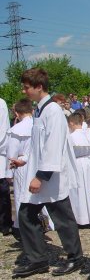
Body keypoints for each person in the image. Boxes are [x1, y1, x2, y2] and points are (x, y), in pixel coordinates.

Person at [13, 68, 84, 278]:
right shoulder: (39, 110)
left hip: (50, 177)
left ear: (39, 87)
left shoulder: (52, 111)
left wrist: (41, 176)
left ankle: (75, 257)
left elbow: (53, 147)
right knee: (26, 214)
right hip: (40, 173)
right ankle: (38, 260)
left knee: (62, 218)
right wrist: (24, 160)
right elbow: (37, 144)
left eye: (26, 87)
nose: (24, 90)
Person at [68, 113, 90, 227]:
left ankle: (81, 218)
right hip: (88, 164)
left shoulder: (71, 137)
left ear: (71, 123)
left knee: (80, 190)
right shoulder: (87, 135)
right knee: (89, 189)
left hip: (76, 163)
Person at [6, 98, 33, 240]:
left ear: (17, 113)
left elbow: (12, 154)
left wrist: (9, 173)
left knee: (21, 196)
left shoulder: (16, 130)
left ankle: (23, 227)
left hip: (21, 164)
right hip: (36, 165)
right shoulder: (38, 125)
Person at [0, 97, 12, 237]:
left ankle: (5, 223)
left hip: (0, 153)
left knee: (2, 192)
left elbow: (3, 130)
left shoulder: (1, 103)